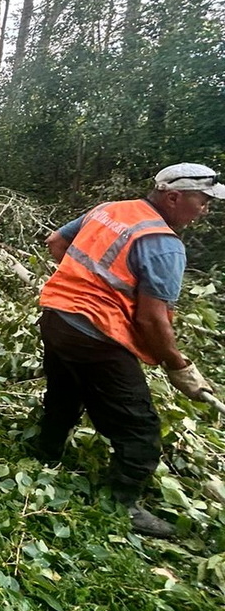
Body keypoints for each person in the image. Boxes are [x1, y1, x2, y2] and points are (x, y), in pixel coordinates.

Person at [36, 163, 224, 538]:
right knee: (140, 426)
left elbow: (56, 243)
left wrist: (82, 286)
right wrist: (178, 366)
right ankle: (122, 504)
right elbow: (151, 321)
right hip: (95, 335)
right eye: (202, 201)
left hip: (55, 315)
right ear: (174, 197)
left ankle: (45, 454)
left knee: (65, 391)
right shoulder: (163, 245)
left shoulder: (110, 209)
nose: (205, 210)